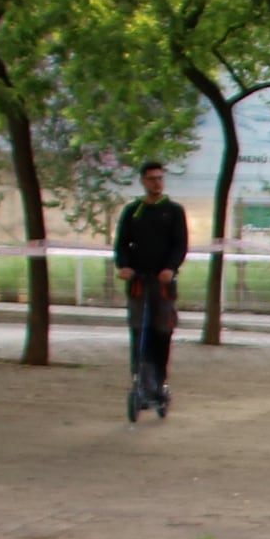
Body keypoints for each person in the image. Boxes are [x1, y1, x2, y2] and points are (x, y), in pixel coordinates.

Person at [113, 160, 189, 422]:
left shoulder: (174, 211)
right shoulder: (134, 211)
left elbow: (180, 245)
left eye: (160, 178)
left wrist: (170, 268)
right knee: (138, 330)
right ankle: (139, 380)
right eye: (151, 179)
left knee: (161, 331)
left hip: (163, 283)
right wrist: (123, 266)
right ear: (143, 182)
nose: (157, 182)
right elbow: (121, 244)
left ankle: (159, 382)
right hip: (139, 281)